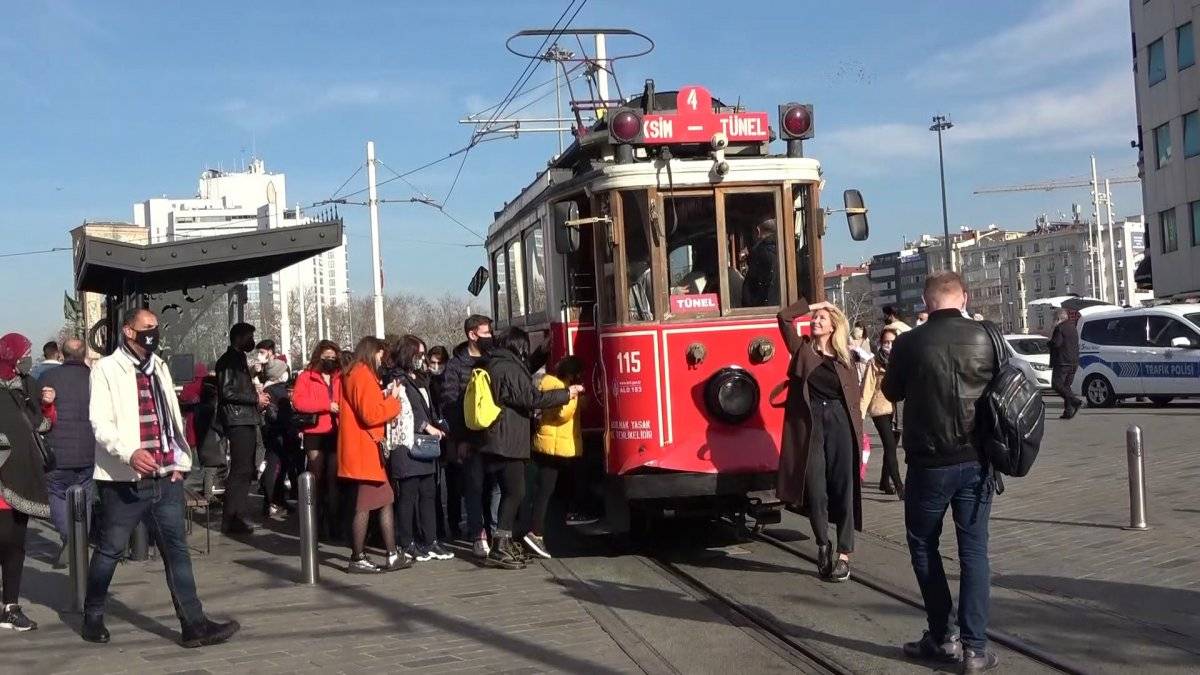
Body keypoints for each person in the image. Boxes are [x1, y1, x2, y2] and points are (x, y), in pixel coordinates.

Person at [84, 309, 238, 647]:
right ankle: (93, 613)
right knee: (110, 548)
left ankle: (194, 626)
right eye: (147, 328)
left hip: (166, 477)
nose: (153, 334)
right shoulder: (106, 369)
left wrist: (180, 459)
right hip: (124, 478)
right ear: (128, 331)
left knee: (176, 551)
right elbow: (100, 423)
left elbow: (170, 417)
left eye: (156, 328)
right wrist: (128, 453)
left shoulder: (160, 367)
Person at [882, 272, 999, 673]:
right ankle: (975, 649)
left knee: (923, 545)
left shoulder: (908, 342)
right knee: (974, 552)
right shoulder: (987, 337)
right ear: (963, 297)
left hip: (929, 464)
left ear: (926, 303)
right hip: (976, 460)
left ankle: (942, 635)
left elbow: (891, 393)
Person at [776, 299, 863, 582]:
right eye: (814, 319)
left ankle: (844, 554)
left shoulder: (846, 357)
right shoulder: (802, 350)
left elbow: (853, 401)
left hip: (840, 423)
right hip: (811, 423)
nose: (815, 322)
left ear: (834, 325)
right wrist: (813, 303)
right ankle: (823, 543)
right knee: (816, 489)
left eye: (822, 318)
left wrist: (860, 439)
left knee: (844, 487)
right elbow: (784, 317)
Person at [480, 328, 581, 569]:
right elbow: (531, 397)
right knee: (515, 492)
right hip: (507, 441)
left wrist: (541, 352)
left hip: (500, 439)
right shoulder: (507, 368)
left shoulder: (499, 363)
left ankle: (501, 542)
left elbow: (521, 377)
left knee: (511, 492)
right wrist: (566, 394)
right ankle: (500, 545)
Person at [339, 336, 407, 573]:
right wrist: (394, 402)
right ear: (373, 352)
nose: (382, 359)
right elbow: (370, 414)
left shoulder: (352, 373)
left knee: (384, 499)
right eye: (380, 354)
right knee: (366, 505)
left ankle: (391, 554)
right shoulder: (362, 375)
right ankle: (358, 557)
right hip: (365, 449)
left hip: (362, 448)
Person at [0, 333, 52, 632]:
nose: (23, 360)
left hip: (23, 474)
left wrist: (46, 406)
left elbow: (40, 426)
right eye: (20, 354)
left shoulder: (28, 386)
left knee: (16, 543)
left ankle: (11, 606)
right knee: (3, 539)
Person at [386, 336, 453, 562]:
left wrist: (437, 423)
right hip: (407, 446)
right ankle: (406, 542)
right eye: (418, 354)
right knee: (408, 495)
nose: (422, 359)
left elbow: (426, 408)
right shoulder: (398, 379)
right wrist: (427, 427)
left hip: (425, 447)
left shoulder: (421, 379)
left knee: (428, 493)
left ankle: (431, 540)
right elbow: (403, 412)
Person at [440, 315, 501, 559]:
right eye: (485, 333)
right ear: (472, 334)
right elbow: (451, 404)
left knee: (495, 488)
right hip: (471, 438)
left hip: (494, 437)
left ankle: (497, 532)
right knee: (474, 488)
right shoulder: (456, 366)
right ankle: (478, 535)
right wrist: (460, 439)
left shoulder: (493, 359)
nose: (490, 337)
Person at [38, 338, 95, 569]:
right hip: (89, 451)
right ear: (84, 354)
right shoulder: (95, 379)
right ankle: (80, 541)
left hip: (57, 453)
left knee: (57, 494)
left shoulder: (48, 378)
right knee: (86, 497)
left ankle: (69, 539)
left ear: (62, 354)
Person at [524, 356, 585, 560]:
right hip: (552, 446)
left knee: (547, 490)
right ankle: (535, 533)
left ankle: (536, 530)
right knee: (545, 491)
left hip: (555, 445)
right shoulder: (557, 385)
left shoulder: (555, 383)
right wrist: (572, 394)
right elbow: (562, 414)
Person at [214, 322, 269, 535]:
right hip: (238, 419)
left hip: (243, 418)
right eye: (249, 337)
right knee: (240, 469)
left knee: (245, 469)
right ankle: (232, 516)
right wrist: (254, 398)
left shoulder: (238, 359)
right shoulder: (229, 361)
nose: (251, 342)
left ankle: (236, 515)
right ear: (239, 338)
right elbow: (227, 391)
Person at [293, 340, 343, 539]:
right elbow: (298, 401)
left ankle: (334, 522)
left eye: (333, 357)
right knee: (316, 475)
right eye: (326, 357)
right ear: (319, 357)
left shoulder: (340, 376)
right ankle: (315, 520)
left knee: (334, 477)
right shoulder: (307, 376)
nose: (330, 361)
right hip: (315, 431)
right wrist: (326, 405)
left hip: (336, 431)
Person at [859, 329, 903, 499]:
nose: (889, 346)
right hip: (880, 409)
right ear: (880, 343)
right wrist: (860, 414)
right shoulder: (874, 362)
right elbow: (867, 390)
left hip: (898, 410)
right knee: (890, 447)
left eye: (892, 342)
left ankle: (884, 482)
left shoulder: (902, 361)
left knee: (889, 448)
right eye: (886, 342)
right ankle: (899, 486)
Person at [259, 359, 298, 519]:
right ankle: (273, 502)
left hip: (270, 432)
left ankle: (274, 501)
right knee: (277, 468)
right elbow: (286, 415)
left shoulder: (266, 390)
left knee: (273, 466)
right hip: (281, 433)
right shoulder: (280, 391)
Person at [1049, 309, 1083, 420]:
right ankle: (1068, 411)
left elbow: (1056, 343)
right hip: (1074, 362)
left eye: (1054, 319)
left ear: (1058, 319)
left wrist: (1049, 342)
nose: (1053, 321)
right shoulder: (1072, 328)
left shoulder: (1059, 328)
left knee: (1056, 384)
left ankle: (1074, 401)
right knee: (1066, 386)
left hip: (1062, 362)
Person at [742, 218, 780, 307]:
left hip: (762, 307)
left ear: (758, 231)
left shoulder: (759, 252)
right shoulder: (786, 249)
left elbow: (752, 287)